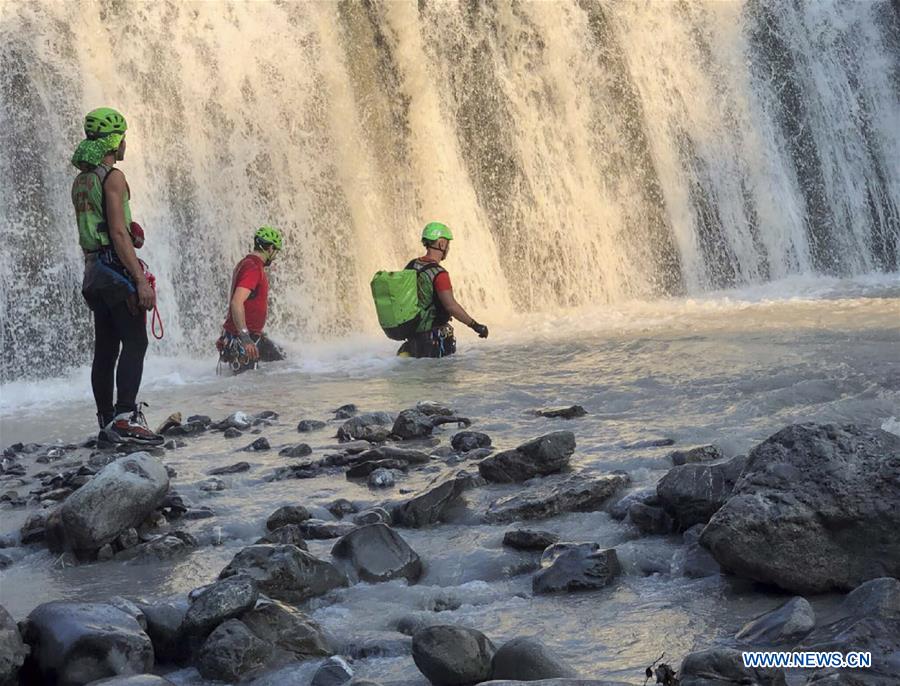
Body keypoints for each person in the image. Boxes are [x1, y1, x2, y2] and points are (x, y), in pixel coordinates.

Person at [71, 107, 163, 445]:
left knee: (106, 349)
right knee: (136, 342)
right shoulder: (114, 177)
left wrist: (127, 230)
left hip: (93, 271)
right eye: (122, 137)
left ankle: (106, 421)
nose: (125, 144)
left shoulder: (82, 180)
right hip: (115, 270)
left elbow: (101, 228)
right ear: (114, 141)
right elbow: (117, 234)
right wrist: (139, 278)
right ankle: (125, 419)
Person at [397, 222, 489, 358]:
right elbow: (451, 306)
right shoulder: (440, 274)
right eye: (447, 244)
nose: (448, 248)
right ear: (441, 244)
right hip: (433, 340)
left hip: (413, 338)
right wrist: (475, 325)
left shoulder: (412, 265)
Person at [217, 226, 286, 373]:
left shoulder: (245, 263)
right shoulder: (253, 268)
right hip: (243, 341)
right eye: (276, 252)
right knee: (244, 390)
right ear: (270, 248)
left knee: (283, 364)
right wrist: (245, 337)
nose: (275, 256)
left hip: (249, 337)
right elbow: (236, 302)